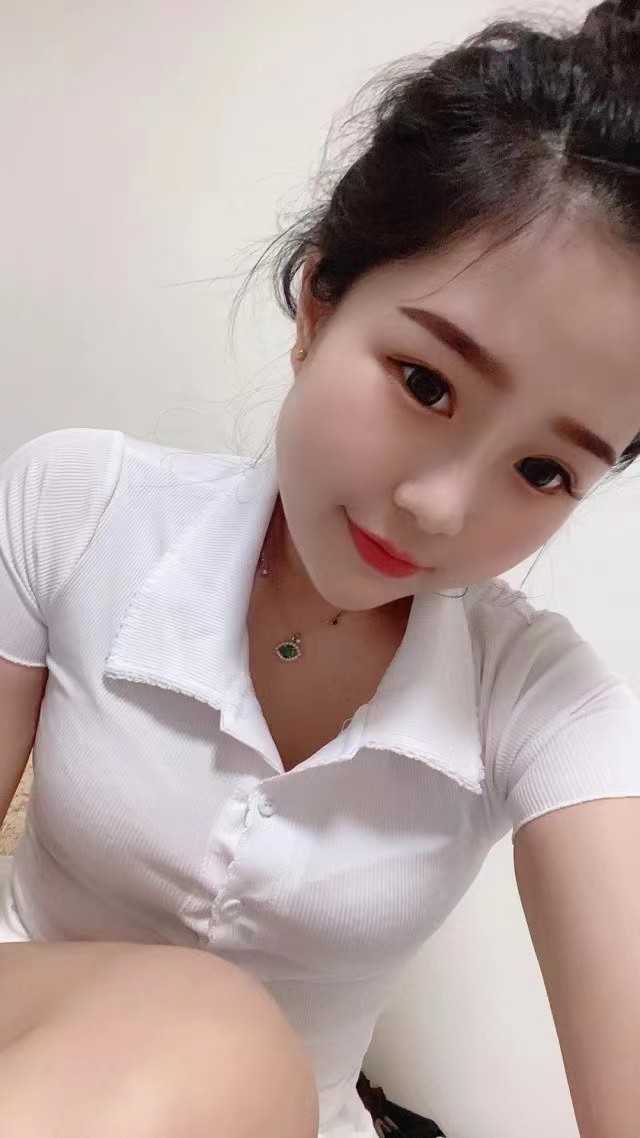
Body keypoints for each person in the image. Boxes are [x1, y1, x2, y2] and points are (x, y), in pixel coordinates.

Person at [2, 2, 640, 1136]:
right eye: (427, 383)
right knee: (206, 1026)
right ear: (318, 302)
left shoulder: (539, 697)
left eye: (544, 471)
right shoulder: (78, 507)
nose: (441, 509)